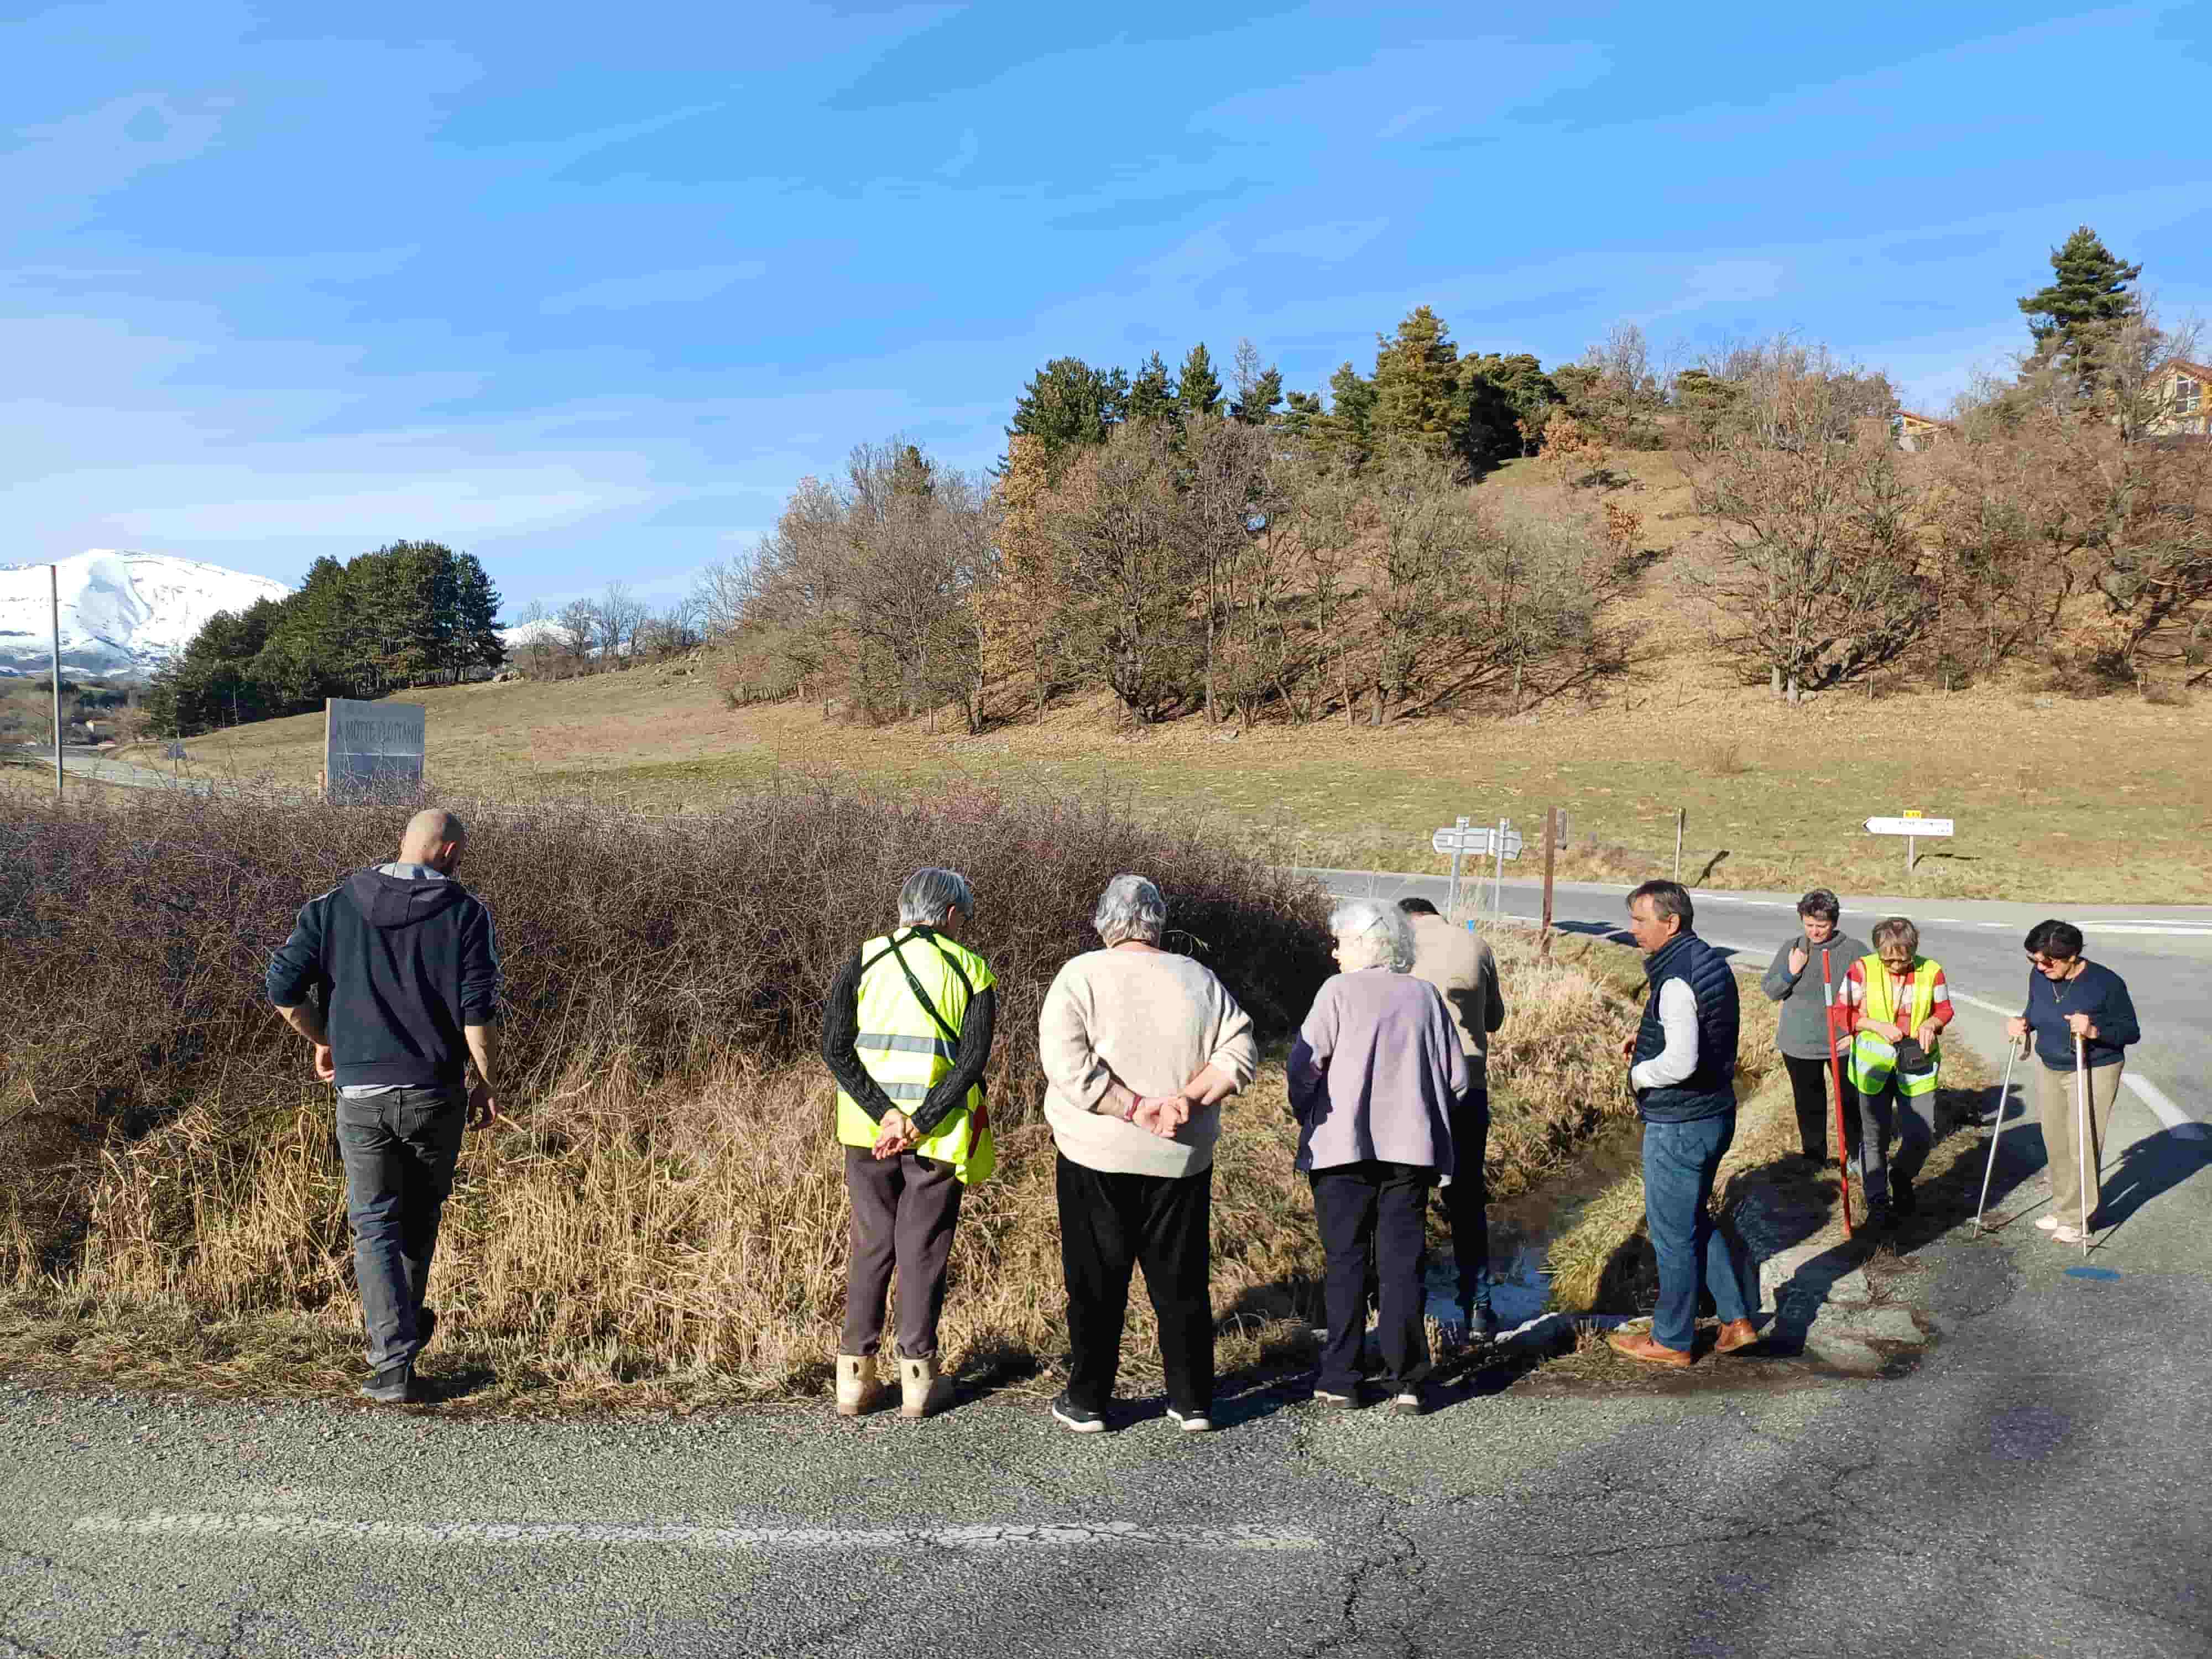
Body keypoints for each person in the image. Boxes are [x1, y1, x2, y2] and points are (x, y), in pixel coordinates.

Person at [267, 808, 502, 1405]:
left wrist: (327, 1040)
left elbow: (281, 988)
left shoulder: (333, 905)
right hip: (433, 1092)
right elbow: (477, 1013)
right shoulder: (467, 914)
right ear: (447, 852)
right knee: (419, 1219)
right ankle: (401, 1348)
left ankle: (393, 1356)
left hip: (362, 1094)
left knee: (375, 1226)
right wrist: (488, 1081)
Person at [1037, 875, 1258, 1434]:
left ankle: (1087, 1401)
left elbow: (1066, 1067)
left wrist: (1130, 1107)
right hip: (1179, 1156)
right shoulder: (1199, 979)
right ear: (1158, 922)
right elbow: (1241, 1050)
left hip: (1095, 1153)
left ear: (1103, 922)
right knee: (1180, 1280)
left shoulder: (1079, 976)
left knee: (1094, 1280)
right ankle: (1191, 1401)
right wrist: (1185, 1100)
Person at [820, 867, 997, 1420]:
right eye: (963, 918)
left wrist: (885, 1115)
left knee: (872, 1245)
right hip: (936, 1134)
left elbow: (834, 1048)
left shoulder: (863, 959)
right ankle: (918, 1379)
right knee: (922, 1251)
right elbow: (971, 1062)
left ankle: (854, 1378)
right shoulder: (970, 968)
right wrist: (919, 1120)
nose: (964, 928)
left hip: (865, 1131)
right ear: (948, 915)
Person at [1291, 901, 1464, 1414]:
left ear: (1366, 943)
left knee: (1345, 1264)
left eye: (1340, 941)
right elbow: (1456, 1078)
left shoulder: (1336, 993)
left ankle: (1341, 1378)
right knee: (1402, 1266)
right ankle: (1407, 1380)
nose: (1335, 951)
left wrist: (1310, 1112)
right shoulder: (1425, 996)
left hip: (1341, 1151)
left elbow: (1305, 1064)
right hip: (1410, 1154)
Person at [1608, 880, 1761, 1368]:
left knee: (1671, 1234)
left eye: (1639, 920)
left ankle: (1671, 1340)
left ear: (1670, 923)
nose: (1632, 929)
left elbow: (1680, 1061)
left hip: (1680, 1123)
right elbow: (1703, 1031)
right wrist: (1650, 1046)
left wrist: (1640, 1072)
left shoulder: (1674, 978)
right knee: (1694, 1219)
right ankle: (1736, 1322)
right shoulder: (1709, 961)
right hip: (1716, 1113)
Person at [1399, 896, 1506, 1340]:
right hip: (1470, 1085)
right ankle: (1478, 1309)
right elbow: (1495, 1019)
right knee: (1466, 1199)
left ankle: (1406, 1309)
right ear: (1435, 913)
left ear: (1405, 919)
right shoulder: (1476, 944)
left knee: (1405, 1197)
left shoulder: (1396, 948)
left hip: (1413, 1088)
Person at [2006, 920, 2140, 1246]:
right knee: (2055, 1140)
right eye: (2035, 960)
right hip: (2050, 1064)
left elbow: (2130, 1031)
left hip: (2093, 1068)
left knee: (2082, 1141)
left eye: (2049, 961)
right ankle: (2064, 1207)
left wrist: (2094, 1030)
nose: (2041, 967)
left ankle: (2079, 1217)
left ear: (2073, 955)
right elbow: (2036, 1011)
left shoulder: (2106, 983)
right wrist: (2023, 1023)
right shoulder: (2040, 976)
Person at [1840, 917, 1954, 1226]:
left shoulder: (1931, 971)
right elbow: (1842, 1013)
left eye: (1901, 960)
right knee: (1874, 1135)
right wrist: (1875, 1025)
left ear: (1913, 951)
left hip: (1917, 1064)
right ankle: (1878, 1202)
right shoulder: (1861, 969)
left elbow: (1944, 1009)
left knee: (1921, 1135)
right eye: (1887, 959)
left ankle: (1901, 1176)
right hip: (1873, 1065)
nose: (1894, 966)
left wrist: (1932, 1023)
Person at [1759, 889, 1870, 1166]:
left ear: (1834, 922)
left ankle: (1856, 1155)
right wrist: (1792, 971)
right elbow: (1772, 990)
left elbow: (1873, 995)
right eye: (1809, 925)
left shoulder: (1854, 951)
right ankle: (1815, 1158)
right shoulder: (1793, 948)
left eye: (1821, 926)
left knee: (1851, 1101)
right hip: (1799, 1045)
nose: (1815, 932)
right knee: (1809, 1104)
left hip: (1843, 1043)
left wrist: (1858, 1033)